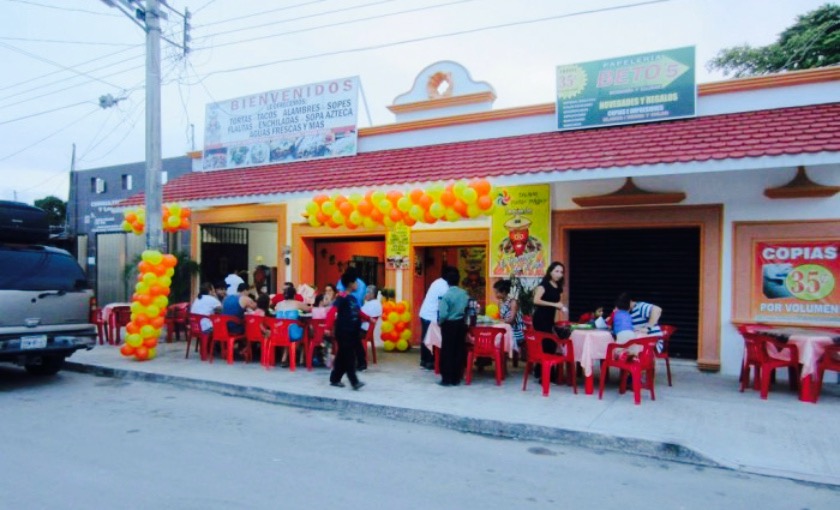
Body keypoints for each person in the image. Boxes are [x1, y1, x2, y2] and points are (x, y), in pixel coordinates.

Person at [328, 270, 365, 390]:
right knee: (349, 356)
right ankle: (354, 381)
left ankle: (335, 378)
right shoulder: (342, 297)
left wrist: (369, 319)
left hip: (353, 331)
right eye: (356, 282)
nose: (357, 285)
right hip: (343, 331)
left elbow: (358, 312)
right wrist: (328, 327)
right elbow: (332, 311)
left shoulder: (352, 299)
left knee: (342, 356)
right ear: (350, 284)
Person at [437, 267, 469, 386]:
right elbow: (467, 308)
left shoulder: (446, 296)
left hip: (449, 325)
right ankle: (456, 377)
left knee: (447, 351)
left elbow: (443, 314)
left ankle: (446, 378)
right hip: (461, 324)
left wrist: (440, 322)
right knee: (459, 350)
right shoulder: (464, 294)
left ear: (447, 282)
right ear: (458, 281)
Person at [532, 261, 568, 353]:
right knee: (547, 343)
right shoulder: (544, 284)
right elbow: (536, 300)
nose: (559, 274)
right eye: (557, 271)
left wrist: (560, 307)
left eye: (561, 272)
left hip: (550, 318)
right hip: (540, 318)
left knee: (551, 343)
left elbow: (556, 302)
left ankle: (545, 366)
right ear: (550, 272)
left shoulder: (558, 286)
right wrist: (554, 305)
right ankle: (544, 366)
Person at [418, 267, 450, 370]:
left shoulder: (437, 282)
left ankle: (424, 361)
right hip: (431, 315)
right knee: (430, 339)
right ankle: (429, 362)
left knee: (425, 337)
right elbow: (443, 303)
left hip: (425, 313)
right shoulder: (444, 286)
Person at [274, 285, 311, 366]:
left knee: (287, 330)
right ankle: (302, 359)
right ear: (294, 295)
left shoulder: (278, 304)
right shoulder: (297, 303)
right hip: (293, 334)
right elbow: (309, 309)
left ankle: (284, 358)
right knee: (306, 330)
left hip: (279, 333)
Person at [493, 279, 524, 348]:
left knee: (498, 339)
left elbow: (511, 320)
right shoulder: (500, 303)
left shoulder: (513, 302)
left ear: (504, 292)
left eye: (497, 293)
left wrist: (497, 321)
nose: (495, 295)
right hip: (507, 329)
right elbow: (502, 318)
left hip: (516, 331)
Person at [358, 285, 382, 371]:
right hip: (368, 331)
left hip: (363, 331)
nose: (365, 295)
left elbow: (358, 313)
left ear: (372, 295)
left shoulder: (371, 305)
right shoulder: (377, 303)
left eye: (367, 293)